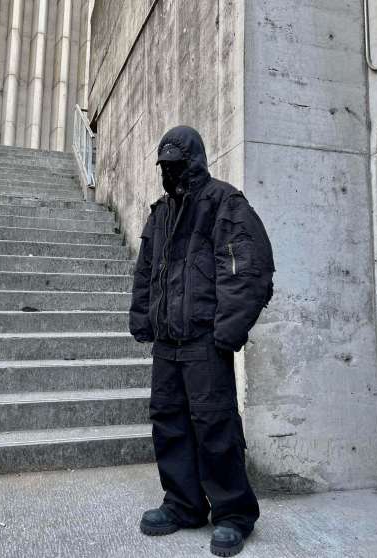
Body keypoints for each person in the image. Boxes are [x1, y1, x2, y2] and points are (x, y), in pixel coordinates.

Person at [129, 125, 275, 557]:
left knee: (215, 425)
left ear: (193, 161)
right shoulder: (160, 213)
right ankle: (183, 504)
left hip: (204, 341)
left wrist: (228, 330)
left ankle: (233, 514)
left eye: (177, 163)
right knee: (168, 422)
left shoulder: (223, 202)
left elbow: (249, 267)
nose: (170, 171)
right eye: (165, 165)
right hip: (167, 343)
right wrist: (142, 318)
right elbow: (145, 271)